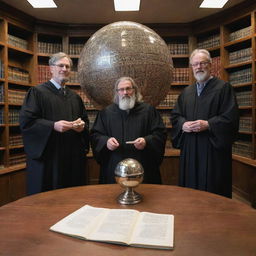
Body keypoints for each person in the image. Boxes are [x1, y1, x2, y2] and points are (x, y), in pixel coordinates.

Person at [171, 49, 239, 198]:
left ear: (210, 65)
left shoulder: (223, 88)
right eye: (195, 64)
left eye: (202, 63)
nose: (198, 67)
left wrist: (208, 124)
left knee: (213, 192)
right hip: (190, 148)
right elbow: (176, 116)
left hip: (212, 150)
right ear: (191, 67)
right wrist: (183, 124)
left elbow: (231, 118)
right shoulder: (186, 92)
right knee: (190, 192)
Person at [20, 52, 90, 195]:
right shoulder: (37, 93)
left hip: (71, 157)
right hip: (50, 159)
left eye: (68, 66)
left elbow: (84, 121)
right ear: (51, 68)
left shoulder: (75, 98)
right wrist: (53, 126)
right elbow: (27, 122)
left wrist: (81, 127)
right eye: (61, 65)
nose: (64, 69)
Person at [90, 76, 167, 184]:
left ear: (134, 91)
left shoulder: (148, 111)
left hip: (143, 166)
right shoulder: (106, 113)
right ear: (117, 92)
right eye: (121, 89)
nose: (125, 92)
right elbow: (95, 135)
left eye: (128, 89)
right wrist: (106, 142)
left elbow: (160, 134)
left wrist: (146, 141)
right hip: (114, 166)